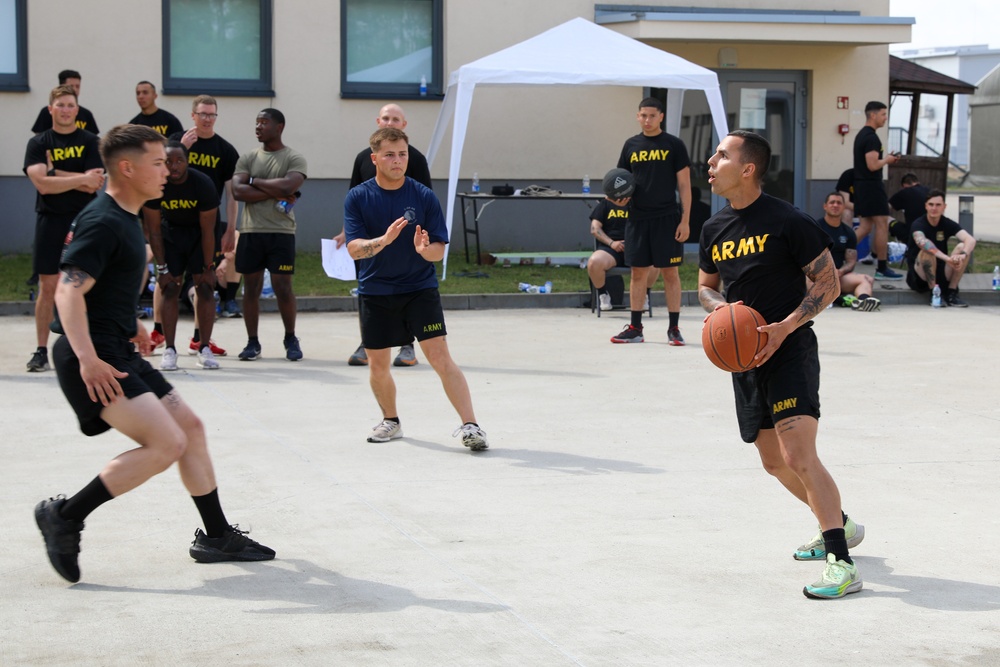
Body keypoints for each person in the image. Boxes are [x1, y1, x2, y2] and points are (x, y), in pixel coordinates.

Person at [35, 124, 274, 584]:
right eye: (158, 163)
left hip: (117, 348)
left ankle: (217, 535)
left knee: (191, 429)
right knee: (167, 444)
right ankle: (65, 515)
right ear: (128, 168)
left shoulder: (127, 214)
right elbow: (68, 293)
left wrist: (134, 324)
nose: (167, 171)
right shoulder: (104, 219)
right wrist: (88, 359)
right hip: (94, 358)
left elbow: (104, 284)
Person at [698, 130, 864, 599]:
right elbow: (706, 286)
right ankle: (841, 524)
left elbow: (828, 284)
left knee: (798, 455)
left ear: (747, 168)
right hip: (745, 357)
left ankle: (841, 562)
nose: (711, 161)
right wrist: (723, 312)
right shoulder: (715, 229)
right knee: (773, 462)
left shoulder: (789, 220)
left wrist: (785, 326)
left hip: (789, 349)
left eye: (722, 155)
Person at [344, 127, 488, 451]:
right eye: (390, 155)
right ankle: (391, 421)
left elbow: (439, 249)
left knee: (440, 357)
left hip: (419, 290)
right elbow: (354, 249)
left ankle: (471, 425)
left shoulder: (423, 196)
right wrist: (383, 241)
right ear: (375, 158)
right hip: (376, 291)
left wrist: (425, 251)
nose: (398, 161)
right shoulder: (358, 197)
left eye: (403, 154)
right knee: (378, 364)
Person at [336, 103, 432, 368]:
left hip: (405, 242)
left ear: (404, 125)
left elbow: (426, 200)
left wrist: (421, 238)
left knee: (405, 290)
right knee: (368, 290)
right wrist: (347, 232)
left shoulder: (414, 159)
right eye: (386, 118)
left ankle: (407, 346)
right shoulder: (363, 158)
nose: (390, 122)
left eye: (396, 119)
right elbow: (352, 197)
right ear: (378, 121)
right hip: (372, 242)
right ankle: (368, 342)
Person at [23, 85, 105, 372]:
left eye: (71, 105)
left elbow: (95, 182)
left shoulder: (91, 140)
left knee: (84, 285)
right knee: (48, 287)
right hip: (50, 220)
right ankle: (41, 350)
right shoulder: (39, 143)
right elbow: (41, 185)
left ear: (77, 109)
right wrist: (78, 178)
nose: (66, 110)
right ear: (51, 109)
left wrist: (55, 172)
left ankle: (85, 349)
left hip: (85, 220)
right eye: (61, 105)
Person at [609, 97, 692, 345]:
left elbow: (685, 185)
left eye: (652, 116)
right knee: (637, 273)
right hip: (637, 218)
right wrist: (617, 200)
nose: (647, 120)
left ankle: (674, 328)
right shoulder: (630, 145)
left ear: (661, 117)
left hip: (667, 219)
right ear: (638, 116)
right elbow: (619, 181)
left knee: (670, 273)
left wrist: (686, 220)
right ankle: (635, 328)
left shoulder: (674, 145)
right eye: (643, 115)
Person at [231, 108, 308, 361]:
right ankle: (252, 343)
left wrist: (254, 181)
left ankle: (290, 338)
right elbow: (238, 192)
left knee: (283, 288)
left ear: (279, 127)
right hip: (252, 231)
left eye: (264, 122)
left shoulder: (294, 158)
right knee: (250, 288)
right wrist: (272, 189)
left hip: (281, 232)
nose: (258, 126)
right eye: (257, 122)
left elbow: (289, 186)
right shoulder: (247, 158)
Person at [143, 141, 223, 370]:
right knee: (170, 288)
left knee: (206, 288)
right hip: (172, 236)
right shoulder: (156, 184)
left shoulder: (203, 184)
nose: (174, 166)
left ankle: (204, 346)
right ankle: (169, 349)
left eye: (179, 160)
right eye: (169, 161)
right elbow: (154, 231)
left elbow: (208, 230)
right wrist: (162, 268)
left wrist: (209, 267)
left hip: (200, 236)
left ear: (188, 162)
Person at [170, 95, 242, 322]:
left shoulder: (226, 150)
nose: (207, 119)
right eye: (203, 114)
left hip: (207, 223)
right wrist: (183, 148)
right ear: (193, 115)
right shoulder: (175, 142)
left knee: (203, 279)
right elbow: (162, 176)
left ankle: (202, 339)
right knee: (170, 281)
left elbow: (232, 195)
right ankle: (161, 334)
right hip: (174, 220)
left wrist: (231, 228)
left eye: (212, 114)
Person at [853, 101, 903, 280]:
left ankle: (835, 255)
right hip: (871, 185)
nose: (885, 118)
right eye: (883, 114)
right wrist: (888, 160)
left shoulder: (862, 135)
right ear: (873, 115)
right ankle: (882, 266)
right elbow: (872, 165)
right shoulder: (871, 137)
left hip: (862, 185)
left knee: (865, 227)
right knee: (882, 223)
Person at [904, 189, 976, 307]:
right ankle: (934, 294)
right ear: (926, 206)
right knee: (927, 250)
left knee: (963, 246)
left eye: (938, 205)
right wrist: (947, 258)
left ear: (944, 207)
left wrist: (962, 254)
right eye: (931, 204)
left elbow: (971, 240)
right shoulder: (918, 223)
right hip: (919, 275)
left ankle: (952, 293)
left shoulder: (946, 223)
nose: (934, 208)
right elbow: (922, 242)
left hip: (942, 271)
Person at [587, 199, 656, 311]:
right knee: (594, 262)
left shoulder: (639, 203)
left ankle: (644, 294)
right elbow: (595, 229)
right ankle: (603, 294)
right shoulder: (605, 204)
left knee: (655, 262)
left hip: (635, 248)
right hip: (611, 248)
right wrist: (611, 243)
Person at [816, 192, 879, 311]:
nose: (835, 205)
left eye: (839, 203)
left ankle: (863, 301)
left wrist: (841, 271)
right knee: (806, 280)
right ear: (825, 206)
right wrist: (825, 272)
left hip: (838, 276)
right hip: (817, 275)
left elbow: (851, 261)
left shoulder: (849, 232)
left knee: (865, 280)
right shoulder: (815, 228)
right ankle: (834, 299)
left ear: (844, 207)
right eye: (832, 202)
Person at [31, 70, 99, 135]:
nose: (75, 89)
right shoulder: (46, 113)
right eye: (71, 86)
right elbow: (40, 138)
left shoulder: (86, 114)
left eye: (77, 86)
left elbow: (94, 142)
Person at [888, 172, 930, 243]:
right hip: (930, 234)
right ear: (917, 182)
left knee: (885, 220)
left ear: (904, 185)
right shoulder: (930, 191)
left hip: (911, 234)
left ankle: (877, 252)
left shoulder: (905, 192)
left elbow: (886, 207)